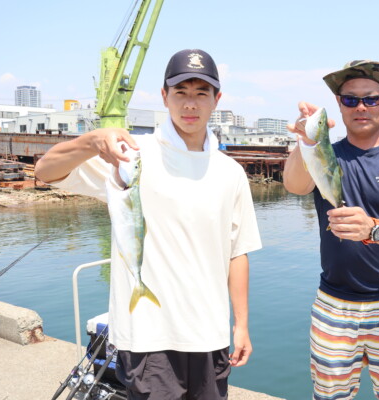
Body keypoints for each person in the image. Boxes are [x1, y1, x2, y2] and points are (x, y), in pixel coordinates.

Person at [35, 49, 262, 400]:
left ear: (217, 100)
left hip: (210, 334)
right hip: (148, 336)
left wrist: (241, 324)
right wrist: (92, 140)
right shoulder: (130, 156)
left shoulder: (231, 172)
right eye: (181, 93)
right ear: (164, 96)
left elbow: (238, 252)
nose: (190, 104)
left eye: (201, 93)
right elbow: (45, 171)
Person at [283, 60, 379, 400]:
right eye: (350, 100)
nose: (361, 107)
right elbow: (294, 185)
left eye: (371, 98)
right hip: (333, 303)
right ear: (339, 104)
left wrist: (372, 229)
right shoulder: (326, 154)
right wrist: (305, 139)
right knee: (329, 396)